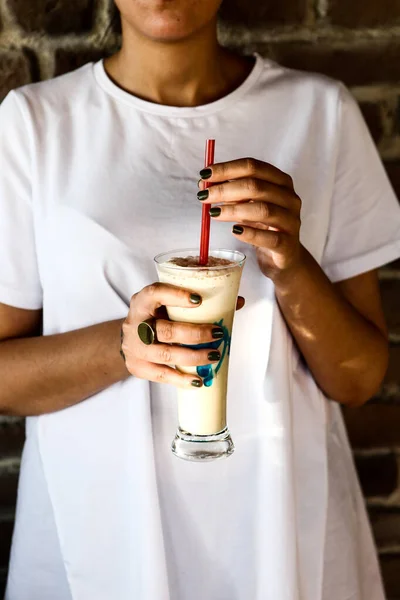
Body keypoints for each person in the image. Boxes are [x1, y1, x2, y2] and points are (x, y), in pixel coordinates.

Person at [1, 0, 400, 598]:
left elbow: (359, 379)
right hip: (95, 529)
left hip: (279, 520)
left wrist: (290, 261)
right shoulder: (34, 123)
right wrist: (124, 347)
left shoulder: (320, 112)